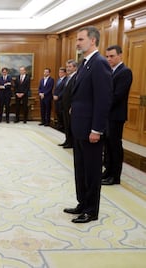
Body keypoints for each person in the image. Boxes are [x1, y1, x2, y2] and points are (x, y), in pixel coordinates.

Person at [63, 25, 112, 223]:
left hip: (91, 129)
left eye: (81, 39)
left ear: (92, 40)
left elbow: (103, 99)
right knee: (81, 168)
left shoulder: (100, 63)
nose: (77, 43)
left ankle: (91, 210)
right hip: (79, 126)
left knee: (92, 171)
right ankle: (82, 203)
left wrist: (97, 129)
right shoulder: (84, 63)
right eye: (77, 40)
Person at [102, 45, 133, 185]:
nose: (109, 59)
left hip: (116, 115)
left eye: (112, 56)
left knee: (114, 145)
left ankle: (115, 176)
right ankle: (107, 171)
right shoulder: (109, 71)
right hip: (107, 115)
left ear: (120, 55)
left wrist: (101, 106)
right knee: (107, 145)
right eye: (107, 56)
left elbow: (117, 95)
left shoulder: (125, 72)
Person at [58, 60, 77, 149]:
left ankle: (71, 142)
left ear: (75, 67)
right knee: (66, 124)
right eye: (67, 67)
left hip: (70, 107)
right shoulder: (68, 78)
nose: (68, 69)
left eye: (70, 67)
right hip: (64, 106)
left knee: (70, 125)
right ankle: (67, 140)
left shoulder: (76, 78)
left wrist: (72, 106)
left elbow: (75, 94)